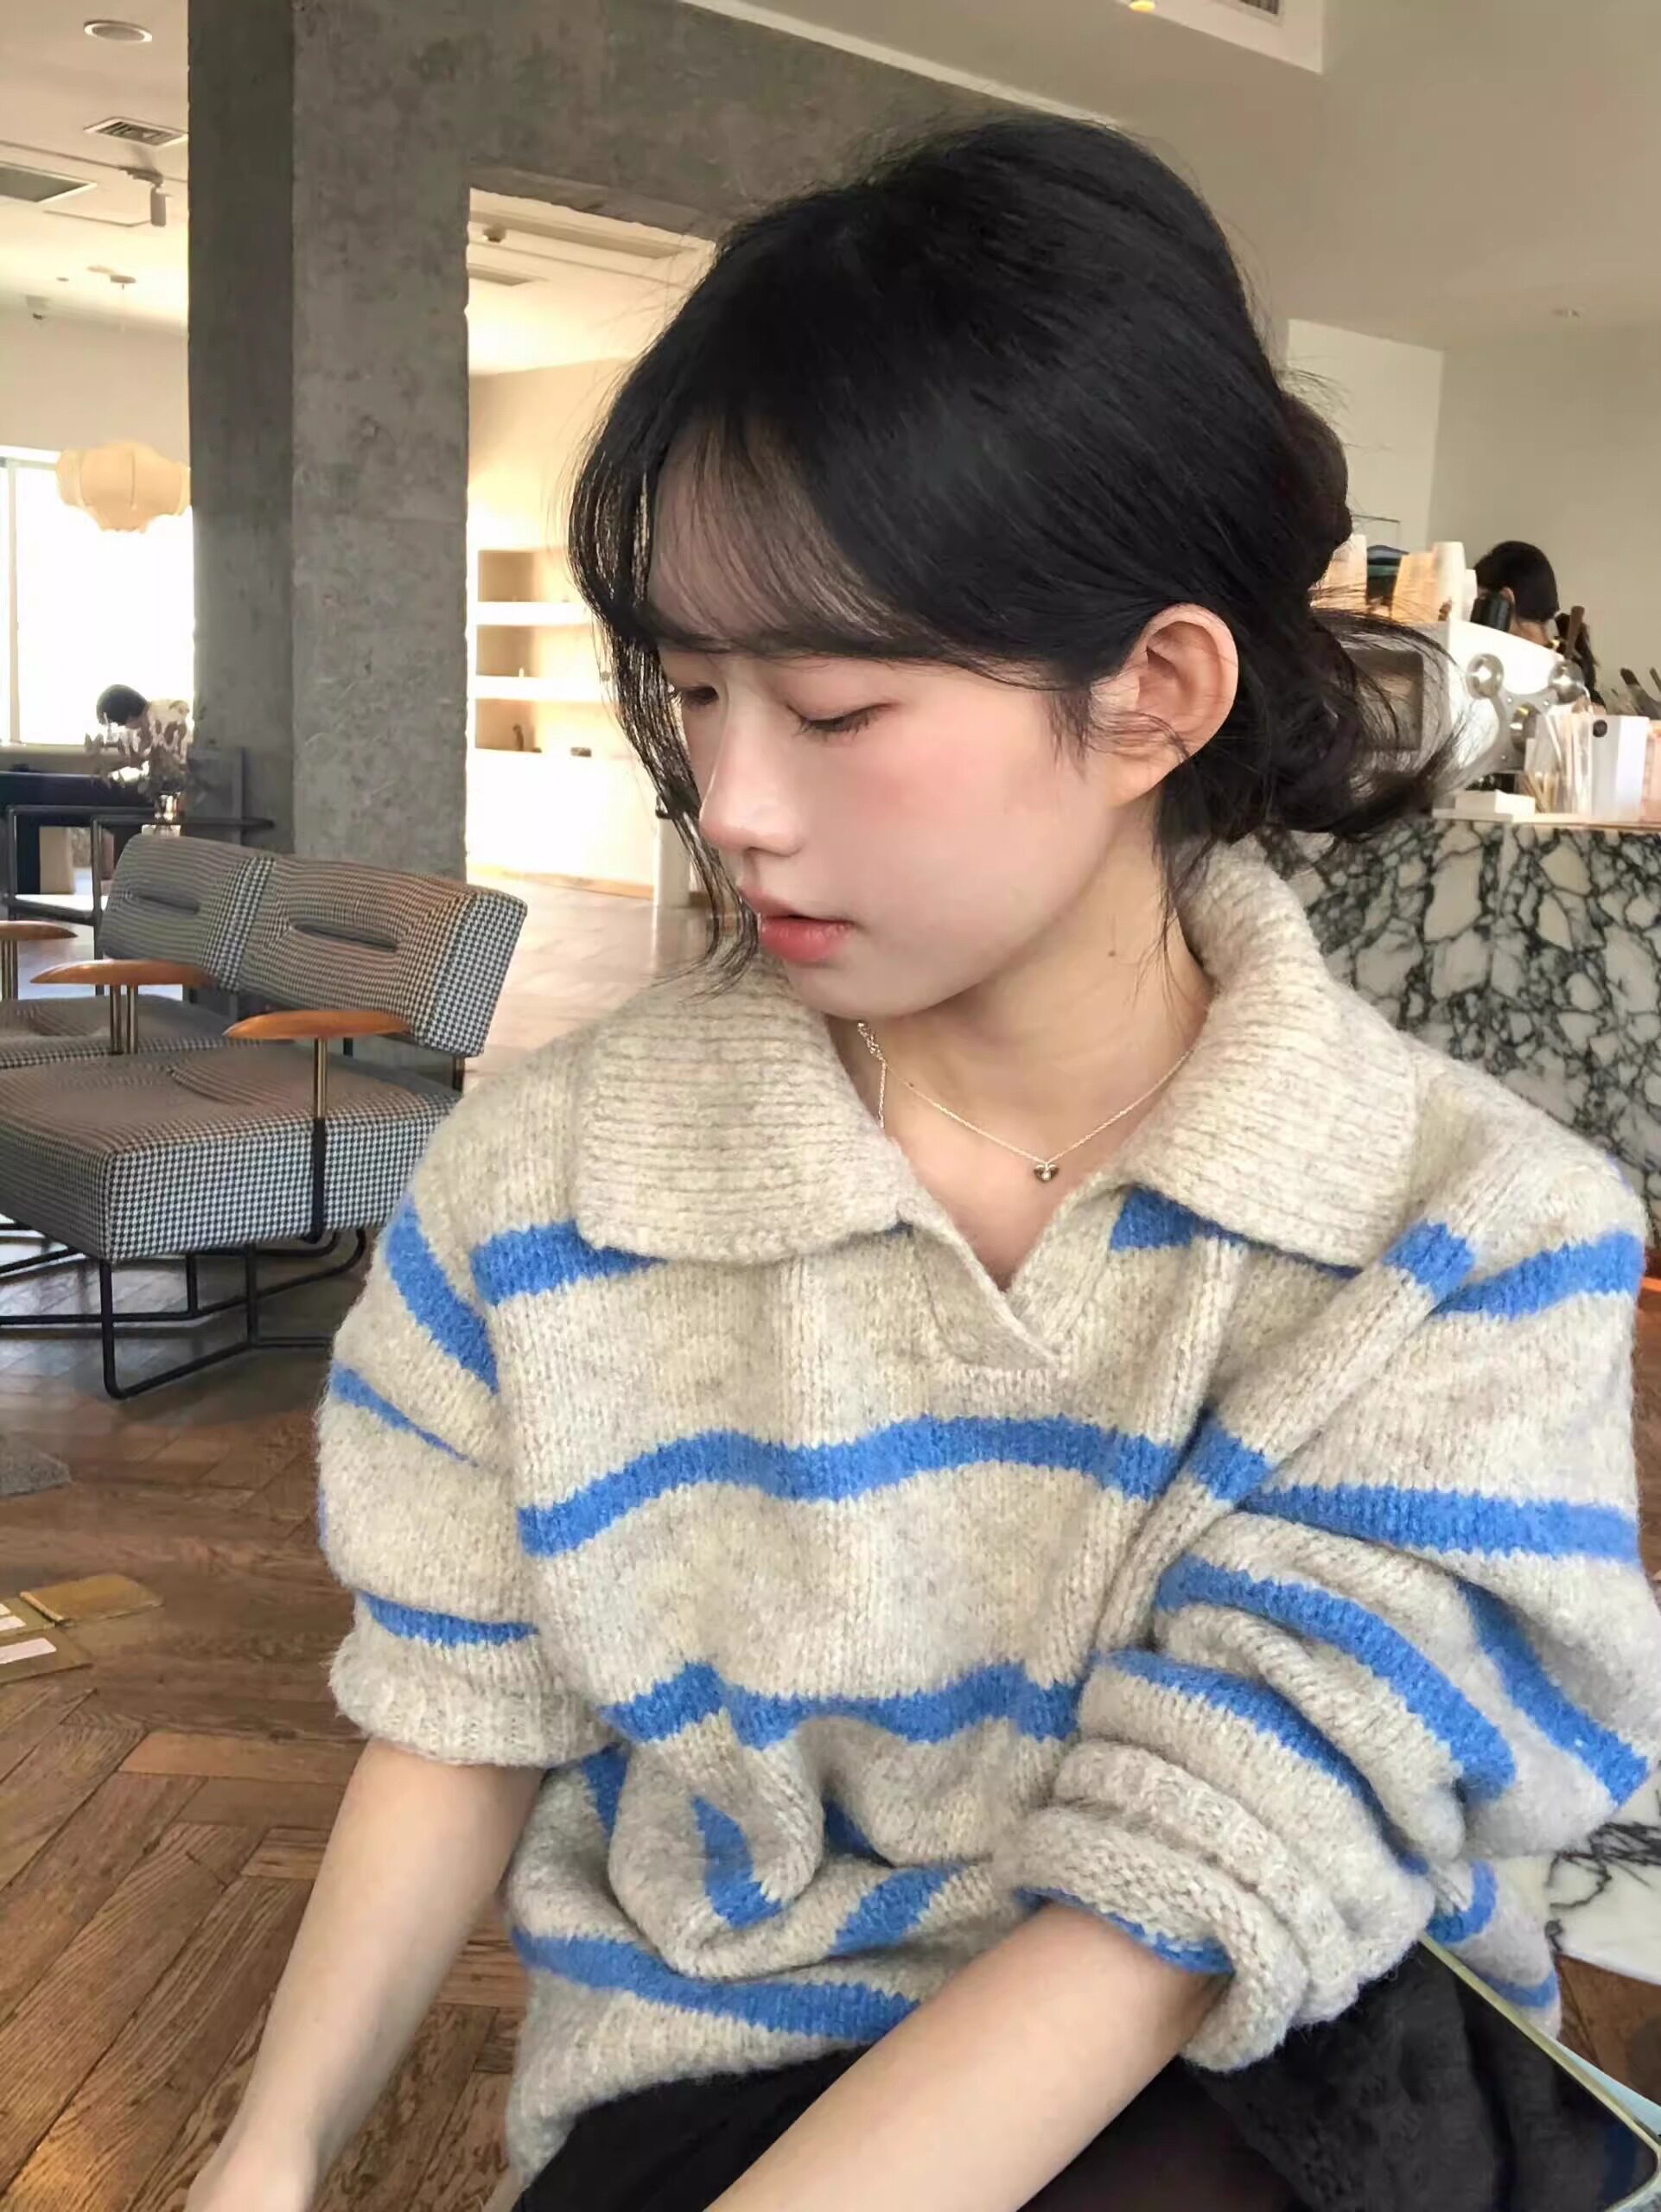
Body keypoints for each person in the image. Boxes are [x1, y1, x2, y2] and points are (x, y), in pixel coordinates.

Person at [188, 119, 1661, 2212]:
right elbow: (456, 1700)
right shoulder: (536, 1191)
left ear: (1155, 692)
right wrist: (264, 2152)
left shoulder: (1469, 1236)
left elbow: (1190, 1892)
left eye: (831, 708)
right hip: (729, 2059)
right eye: (695, 691)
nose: (730, 801)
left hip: (1285, 2056)